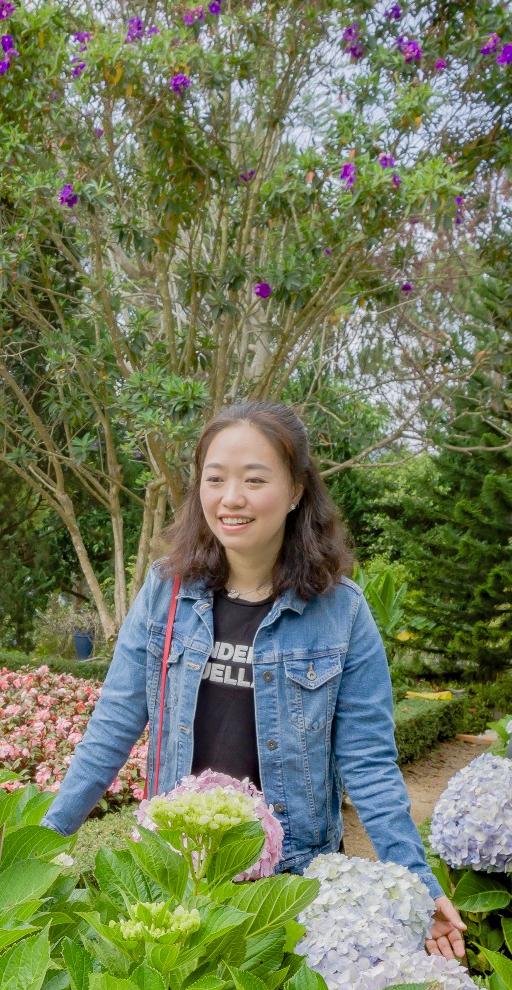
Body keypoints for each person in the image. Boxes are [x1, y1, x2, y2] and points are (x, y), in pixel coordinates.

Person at [42, 402, 467, 959]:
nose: (231, 498)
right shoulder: (166, 593)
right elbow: (113, 728)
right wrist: (40, 845)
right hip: (177, 872)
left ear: (295, 491)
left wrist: (420, 885)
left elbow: (369, 763)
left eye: (254, 479)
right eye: (214, 479)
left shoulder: (340, 612)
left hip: (289, 886)